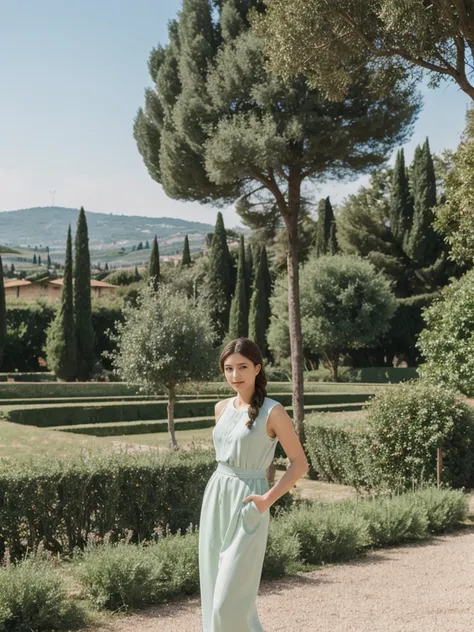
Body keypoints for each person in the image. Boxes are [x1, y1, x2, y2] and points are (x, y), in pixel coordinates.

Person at [199, 337, 309, 632]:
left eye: (243, 367)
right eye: (229, 369)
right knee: (212, 594)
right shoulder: (220, 408)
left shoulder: (274, 412)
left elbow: (300, 464)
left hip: (250, 502)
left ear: (258, 368)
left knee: (229, 602)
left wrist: (267, 500)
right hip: (217, 497)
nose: (235, 376)